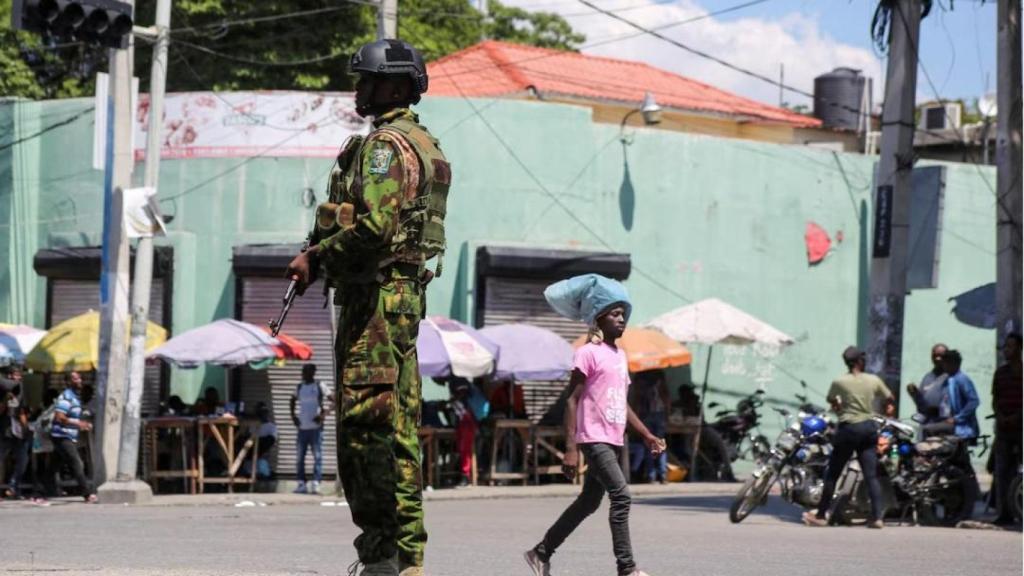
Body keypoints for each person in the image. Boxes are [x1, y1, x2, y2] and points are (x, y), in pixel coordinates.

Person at [286, 39, 448, 576]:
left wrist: (316, 256)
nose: (359, 90)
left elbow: (375, 229)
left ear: (397, 87)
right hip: (398, 297)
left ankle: (381, 556)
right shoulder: (422, 143)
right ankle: (406, 558)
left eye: (368, 81)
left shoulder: (385, 146)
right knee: (397, 426)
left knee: (366, 429)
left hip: (375, 301)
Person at [525, 297, 664, 576]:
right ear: (599, 320)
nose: (621, 319)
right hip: (593, 438)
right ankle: (626, 568)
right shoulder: (587, 353)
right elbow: (571, 400)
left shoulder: (620, 356)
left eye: (623, 314)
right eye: (615, 314)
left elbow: (621, 403)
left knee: (589, 502)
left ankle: (540, 553)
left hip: (613, 438)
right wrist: (571, 447)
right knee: (621, 496)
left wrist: (647, 435)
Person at [803, 346, 894, 529]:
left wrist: (838, 406)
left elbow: (832, 400)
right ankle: (877, 518)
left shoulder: (839, 382)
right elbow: (889, 398)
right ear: (860, 361)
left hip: (848, 429)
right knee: (871, 476)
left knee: (833, 474)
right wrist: (889, 409)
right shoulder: (873, 380)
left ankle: (821, 515)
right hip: (868, 428)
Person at [41, 371, 96, 504]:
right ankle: (87, 494)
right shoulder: (66, 397)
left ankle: (40, 492)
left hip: (67, 435)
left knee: (53, 466)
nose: (79, 380)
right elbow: (60, 417)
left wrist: (81, 425)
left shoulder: (75, 397)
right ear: (67, 382)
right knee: (76, 462)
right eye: (74, 378)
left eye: (79, 378)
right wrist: (78, 423)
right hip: (61, 435)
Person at [992, 332, 1023, 525]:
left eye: (1010, 347)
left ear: (1019, 349)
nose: (1006, 350)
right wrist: (1001, 416)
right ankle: (1004, 513)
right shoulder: (1000, 373)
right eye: (1006, 346)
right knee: (1001, 471)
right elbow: (995, 399)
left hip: (1020, 427)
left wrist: (1016, 417)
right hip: (1004, 429)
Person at [290, 363, 332, 494]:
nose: (304, 374)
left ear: (313, 372)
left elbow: (335, 399)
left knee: (318, 456)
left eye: (307, 371)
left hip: (316, 428)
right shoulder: (300, 387)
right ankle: (301, 484)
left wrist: (323, 415)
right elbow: (292, 400)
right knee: (300, 457)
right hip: (302, 428)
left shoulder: (319, 386)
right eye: (303, 371)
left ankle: (316, 483)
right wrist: (293, 417)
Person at [629, 370, 670, 483]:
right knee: (660, 443)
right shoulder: (659, 374)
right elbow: (665, 395)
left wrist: (635, 416)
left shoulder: (640, 375)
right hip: (658, 413)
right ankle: (662, 475)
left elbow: (636, 397)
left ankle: (651, 475)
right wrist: (668, 413)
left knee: (648, 445)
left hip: (645, 414)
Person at [1, 368, 31, 499]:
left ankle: (14, 487)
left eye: (20, 375)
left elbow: (21, 411)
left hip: (17, 431)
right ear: (9, 377)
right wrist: (4, 401)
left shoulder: (20, 390)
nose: (18, 378)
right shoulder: (2, 389)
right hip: (4, 430)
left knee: (23, 460)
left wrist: (26, 428)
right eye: (15, 375)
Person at [907, 343, 948, 425]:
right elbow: (922, 405)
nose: (938, 359)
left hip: (944, 426)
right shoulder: (927, 377)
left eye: (941, 356)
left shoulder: (951, 378)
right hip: (927, 425)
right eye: (935, 355)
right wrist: (915, 394)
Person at [448, 378, 478, 488]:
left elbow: (460, 398)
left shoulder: (458, 382)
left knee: (465, 450)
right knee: (462, 450)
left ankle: (465, 477)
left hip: (467, 423)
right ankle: (463, 475)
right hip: (463, 424)